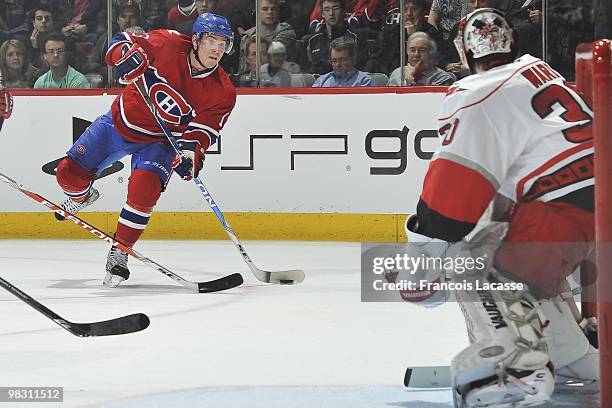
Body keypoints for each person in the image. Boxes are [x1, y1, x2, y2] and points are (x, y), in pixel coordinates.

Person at [397, 8, 597, 407]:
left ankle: (513, 363)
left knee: (474, 260)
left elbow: (450, 199)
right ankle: (573, 356)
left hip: (570, 211)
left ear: (462, 51)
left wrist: (418, 266)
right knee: (511, 249)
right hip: (595, 206)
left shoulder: (475, 94)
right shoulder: (539, 73)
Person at [54, 13, 237, 288]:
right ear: (196, 40)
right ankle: (82, 197)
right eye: (211, 41)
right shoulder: (166, 43)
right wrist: (123, 56)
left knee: (144, 191)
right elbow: (121, 42)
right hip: (119, 123)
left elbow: (202, 132)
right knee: (67, 175)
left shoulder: (223, 91)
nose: (216, 50)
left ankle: (120, 251)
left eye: (223, 44)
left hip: (161, 142)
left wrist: (190, 155)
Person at [370, 0, 442, 75]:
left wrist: (412, 36)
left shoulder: (433, 34)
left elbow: (434, 61)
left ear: (423, 12)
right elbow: (381, 61)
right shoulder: (389, 32)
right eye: (405, 9)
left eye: (414, 9)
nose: (409, 13)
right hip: (392, 78)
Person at [302, 0, 368, 75]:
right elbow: (306, 72)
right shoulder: (311, 41)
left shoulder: (356, 37)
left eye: (336, 8)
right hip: (319, 84)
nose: (331, 13)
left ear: (343, 11)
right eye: (327, 9)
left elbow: (362, 69)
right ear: (322, 14)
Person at [240, 0, 296, 72]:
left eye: (273, 9)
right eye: (265, 9)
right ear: (257, 13)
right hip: (249, 80)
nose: (270, 12)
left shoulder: (286, 32)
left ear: (278, 12)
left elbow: (269, 55)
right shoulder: (246, 36)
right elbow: (242, 68)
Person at [387, 31, 454, 86]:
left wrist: (411, 81)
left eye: (422, 50)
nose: (416, 54)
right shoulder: (397, 74)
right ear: (407, 52)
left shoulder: (442, 78)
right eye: (412, 50)